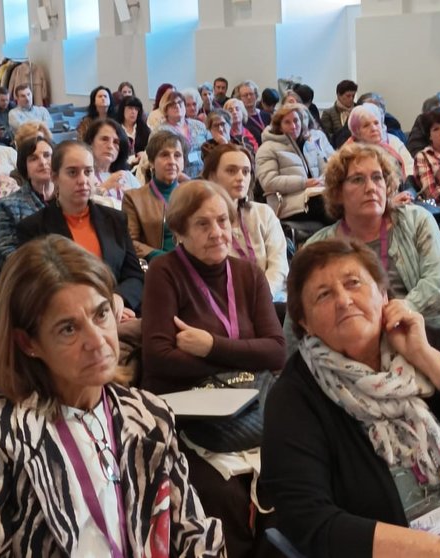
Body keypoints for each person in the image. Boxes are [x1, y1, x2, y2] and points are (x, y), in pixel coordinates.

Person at [0, 235, 225, 556]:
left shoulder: (147, 415)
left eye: (101, 315)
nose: (97, 341)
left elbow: (194, 534)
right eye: (68, 329)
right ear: (28, 343)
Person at [261, 238, 440, 558]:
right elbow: (309, 522)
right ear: (305, 323)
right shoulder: (295, 397)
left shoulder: (429, 344)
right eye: (323, 295)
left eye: (353, 283)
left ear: (383, 295)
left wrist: (426, 358)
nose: (344, 300)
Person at [294, 142, 440, 396]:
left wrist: (406, 307)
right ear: (338, 192)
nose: (371, 187)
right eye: (357, 180)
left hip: (434, 325)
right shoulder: (319, 247)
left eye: (377, 178)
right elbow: (298, 315)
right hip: (359, 340)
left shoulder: (416, 219)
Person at [140, 180, 286, 557]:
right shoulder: (164, 272)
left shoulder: (248, 274)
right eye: (202, 225)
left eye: (222, 221)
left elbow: (276, 352)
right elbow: (158, 357)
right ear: (180, 232)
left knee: (288, 473)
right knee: (221, 494)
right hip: (189, 412)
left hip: (249, 401)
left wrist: (210, 346)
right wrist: (241, 353)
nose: (217, 233)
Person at [18, 140, 144, 316]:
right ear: (55, 177)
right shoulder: (33, 228)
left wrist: (119, 298)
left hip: (118, 314)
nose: (83, 180)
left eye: (88, 171)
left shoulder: (115, 219)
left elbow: (135, 276)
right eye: (72, 173)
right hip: (68, 317)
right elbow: (35, 289)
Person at [203, 143, 288, 302]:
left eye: (246, 171)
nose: (241, 177)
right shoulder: (201, 222)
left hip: (272, 298)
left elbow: (279, 265)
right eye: (231, 170)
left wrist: (263, 295)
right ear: (212, 176)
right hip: (226, 303)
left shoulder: (263, 213)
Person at [255, 104, 335, 224]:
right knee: (329, 207)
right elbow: (269, 182)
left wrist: (325, 180)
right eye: (287, 122)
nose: (293, 126)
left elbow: (325, 168)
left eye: (296, 121)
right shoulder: (267, 149)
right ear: (279, 126)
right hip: (287, 204)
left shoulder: (309, 143)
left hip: (315, 195)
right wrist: (304, 183)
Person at [0, 136, 55, 271]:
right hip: (33, 277)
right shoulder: (7, 205)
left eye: (47, 155)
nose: (43, 162)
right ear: (24, 167)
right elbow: (5, 254)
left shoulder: (71, 200)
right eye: (33, 158)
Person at [122, 130, 186, 261]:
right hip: (160, 266)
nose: (172, 161)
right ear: (151, 162)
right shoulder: (133, 198)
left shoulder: (193, 195)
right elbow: (130, 242)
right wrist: (164, 258)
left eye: (177, 155)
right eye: (164, 155)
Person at [83, 118, 140, 208]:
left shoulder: (127, 176)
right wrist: (104, 187)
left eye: (116, 142)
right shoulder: (83, 176)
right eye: (104, 139)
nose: (110, 146)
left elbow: (145, 206)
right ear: (90, 142)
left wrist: (133, 199)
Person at [346, 104, 413, 179]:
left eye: (376, 123)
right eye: (366, 125)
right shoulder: (348, 156)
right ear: (356, 132)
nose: (374, 128)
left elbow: (408, 169)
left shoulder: (389, 148)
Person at [155, 89, 209, 178]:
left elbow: (210, 149)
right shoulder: (160, 131)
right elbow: (158, 159)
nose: (177, 106)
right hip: (174, 178)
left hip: (203, 175)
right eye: (172, 104)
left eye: (180, 103)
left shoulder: (199, 126)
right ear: (165, 109)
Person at [235, 81, 271, 146]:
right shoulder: (240, 119)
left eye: (251, 94)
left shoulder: (267, 115)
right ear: (239, 98)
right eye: (245, 95)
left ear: (256, 95)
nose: (249, 97)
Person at [117, 96, 151, 165]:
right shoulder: (115, 129)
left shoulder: (145, 129)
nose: (133, 112)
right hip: (121, 166)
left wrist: (144, 154)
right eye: (130, 108)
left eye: (136, 109)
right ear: (122, 109)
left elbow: (151, 149)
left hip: (141, 165)